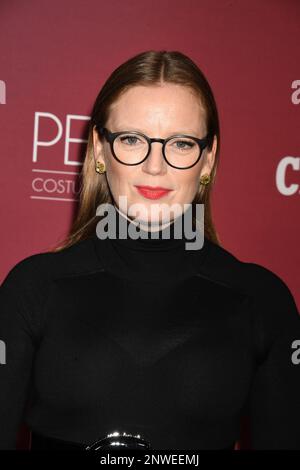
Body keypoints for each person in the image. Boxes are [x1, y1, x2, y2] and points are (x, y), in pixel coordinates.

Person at [0, 50, 300, 451]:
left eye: (180, 143)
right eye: (131, 139)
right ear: (100, 149)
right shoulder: (31, 291)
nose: (154, 166)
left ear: (207, 159)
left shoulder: (264, 303)